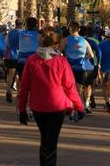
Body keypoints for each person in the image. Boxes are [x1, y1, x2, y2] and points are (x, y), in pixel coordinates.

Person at [18, 31, 85, 166]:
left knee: (45, 139)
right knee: (51, 141)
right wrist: (80, 107)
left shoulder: (31, 60)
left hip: (38, 107)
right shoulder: (61, 61)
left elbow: (24, 87)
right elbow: (70, 87)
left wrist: (22, 109)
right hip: (57, 107)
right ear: (56, 45)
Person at [60, 21, 95, 116]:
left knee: (70, 89)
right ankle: (81, 107)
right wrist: (84, 57)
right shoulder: (84, 41)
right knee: (79, 89)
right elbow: (91, 55)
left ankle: (72, 107)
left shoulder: (65, 40)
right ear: (79, 29)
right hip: (81, 68)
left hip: (69, 69)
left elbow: (58, 53)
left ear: (69, 29)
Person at [82, 26, 102, 110]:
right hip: (92, 64)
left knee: (82, 85)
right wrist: (98, 63)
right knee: (91, 83)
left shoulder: (80, 40)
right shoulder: (95, 41)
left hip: (80, 65)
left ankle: (85, 99)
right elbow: (99, 53)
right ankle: (90, 96)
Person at [17, 17, 41, 81]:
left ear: (26, 24)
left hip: (21, 60)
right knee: (33, 81)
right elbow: (41, 46)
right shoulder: (38, 35)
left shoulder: (21, 33)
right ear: (35, 25)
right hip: (33, 61)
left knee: (23, 80)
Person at [4, 18, 23, 103]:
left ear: (15, 24)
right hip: (20, 56)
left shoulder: (10, 33)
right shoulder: (23, 33)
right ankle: (19, 93)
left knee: (10, 75)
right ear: (22, 24)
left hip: (10, 56)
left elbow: (6, 44)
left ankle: (9, 90)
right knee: (19, 76)